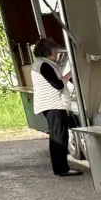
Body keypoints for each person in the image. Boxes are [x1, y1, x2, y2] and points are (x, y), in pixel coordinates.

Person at [31, 38, 76, 177]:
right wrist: (70, 74)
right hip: (53, 104)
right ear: (48, 51)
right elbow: (58, 84)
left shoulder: (43, 64)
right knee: (59, 137)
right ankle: (61, 168)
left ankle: (61, 167)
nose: (57, 54)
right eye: (55, 51)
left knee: (58, 136)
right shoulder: (44, 65)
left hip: (51, 104)